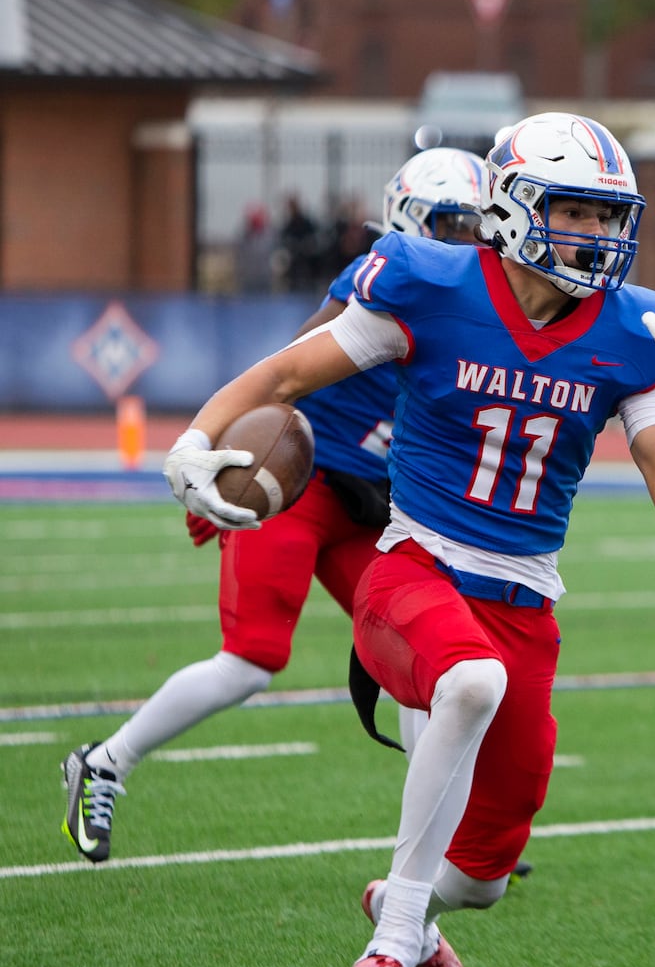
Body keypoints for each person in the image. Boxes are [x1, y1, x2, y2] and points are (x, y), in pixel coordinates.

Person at [157, 111, 655, 967]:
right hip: (414, 566)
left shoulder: (632, 331)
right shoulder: (432, 284)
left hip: (526, 600)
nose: (596, 236)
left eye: (608, 217)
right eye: (574, 212)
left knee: (482, 879)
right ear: (512, 207)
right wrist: (193, 441)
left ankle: (415, 917)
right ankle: (392, 946)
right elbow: (285, 374)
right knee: (469, 681)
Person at [60, 146, 494, 869]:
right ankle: (103, 762)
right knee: (253, 658)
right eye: (450, 224)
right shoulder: (386, 278)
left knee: (433, 661)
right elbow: (289, 364)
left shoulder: (485, 305)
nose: (464, 243)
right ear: (410, 221)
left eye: (475, 226)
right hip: (301, 484)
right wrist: (223, 453)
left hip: (370, 506)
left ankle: (437, 844)